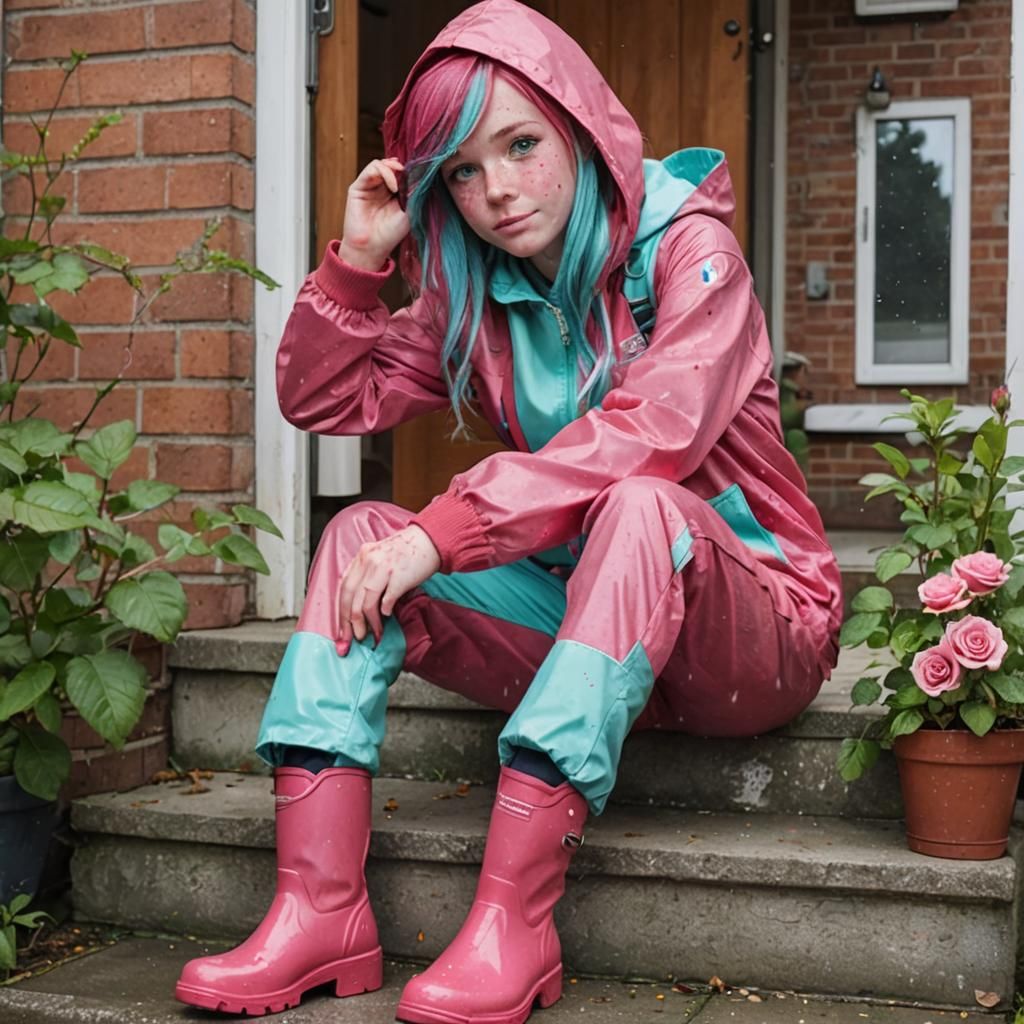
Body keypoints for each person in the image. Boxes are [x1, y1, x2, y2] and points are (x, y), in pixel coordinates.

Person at [174, 1, 842, 1021]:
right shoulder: (473, 296)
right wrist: (358, 261)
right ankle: (319, 910)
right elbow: (325, 400)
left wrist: (443, 530)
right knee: (356, 532)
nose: (498, 191)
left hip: (752, 629)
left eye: (522, 145)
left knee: (642, 503)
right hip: (589, 630)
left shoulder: (691, 257)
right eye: (464, 171)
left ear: (578, 125)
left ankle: (511, 921)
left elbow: (648, 433)